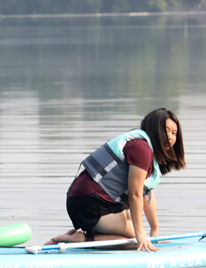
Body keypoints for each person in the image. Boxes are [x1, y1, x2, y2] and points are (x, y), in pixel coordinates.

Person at [46, 108, 186, 252]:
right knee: (135, 239)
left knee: (137, 229)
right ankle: (83, 239)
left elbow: (146, 193)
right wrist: (140, 234)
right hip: (88, 202)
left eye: (174, 133)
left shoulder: (146, 150)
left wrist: (155, 232)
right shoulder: (142, 148)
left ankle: (76, 235)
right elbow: (135, 194)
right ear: (154, 128)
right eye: (166, 130)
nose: (170, 137)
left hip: (90, 200)